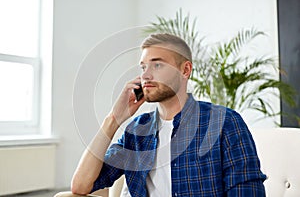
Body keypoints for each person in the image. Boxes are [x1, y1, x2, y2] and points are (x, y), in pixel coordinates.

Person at [55, 33, 266, 197]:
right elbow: (81, 185)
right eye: (143, 67)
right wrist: (113, 119)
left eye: (157, 65)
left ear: (185, 70)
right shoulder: (137, 131)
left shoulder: (224, 122)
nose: (145, 75)